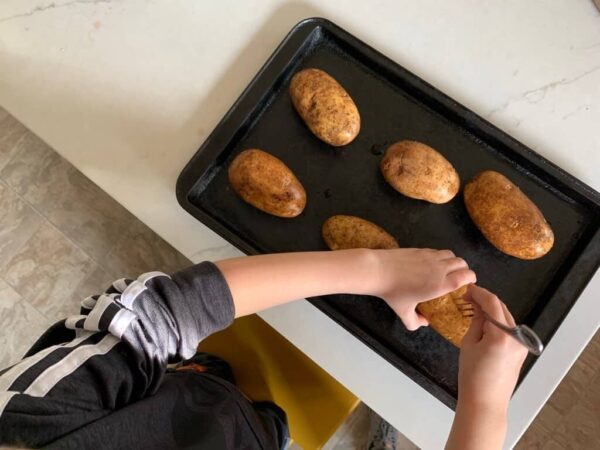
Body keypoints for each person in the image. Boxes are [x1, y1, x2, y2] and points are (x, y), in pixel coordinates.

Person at [0, 248, 527, 449]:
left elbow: (153, 317)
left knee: (223, 396)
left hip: (189, 401)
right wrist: (486, 408)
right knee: (272, 426)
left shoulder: (23, 423)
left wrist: (376, 268)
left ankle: (214, 381)